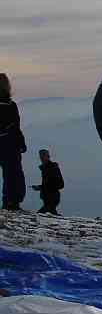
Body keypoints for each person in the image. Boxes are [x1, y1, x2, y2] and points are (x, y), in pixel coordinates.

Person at [0, 73, 28, 212]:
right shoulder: (11, 106)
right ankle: (11, 202)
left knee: (11, 174)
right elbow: (16, 127)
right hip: (10, 144)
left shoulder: (10, 105)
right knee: (13, 174)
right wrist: (21, 144)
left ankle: (9, 202)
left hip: (8, 142)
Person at [32, 149, 64, 215]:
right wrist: (40, 187)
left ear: (48, 156)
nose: (41, 157)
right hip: (48, 198)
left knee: (40, 215)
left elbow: (59, 184)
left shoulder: (52, 167)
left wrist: (41, 187)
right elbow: (48, 184)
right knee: (51, 214)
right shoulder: (45, 168)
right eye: (40, 155)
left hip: (52, 198)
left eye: (43, 155)